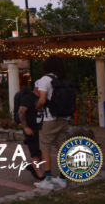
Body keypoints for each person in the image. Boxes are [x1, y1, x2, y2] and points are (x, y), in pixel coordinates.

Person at [34, 56, 69, 190]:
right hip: (64, 119)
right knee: (63, 149)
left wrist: (37, 106)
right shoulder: (64, 80)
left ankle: (48, 181)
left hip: (49, 119)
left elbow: (42, 100)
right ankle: (63, 178)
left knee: (45, 149)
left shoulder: (45, 79)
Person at [19, 79, 45, 181]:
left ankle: (33, 167)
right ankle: (41, 177)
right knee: (35, 153)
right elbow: (21, 112)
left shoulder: (43, 98)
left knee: (42, 154)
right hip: (31, 130)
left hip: (42, 129)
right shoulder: (28, 98)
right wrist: (26, 127)